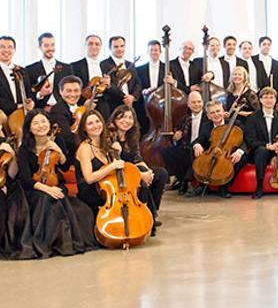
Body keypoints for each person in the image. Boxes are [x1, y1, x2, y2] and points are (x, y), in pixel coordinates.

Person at [2, 110, 98, 259]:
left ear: (49, 124)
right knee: (45, 199)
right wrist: (47, 189)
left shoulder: (56, 140)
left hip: (53, 183)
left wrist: (60, 153)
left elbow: (65, 167)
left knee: (80, 209)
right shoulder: (25, 148)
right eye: (36, 123)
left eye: (43, 122)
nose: (41, 125)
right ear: (29, 127)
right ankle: (44, 244)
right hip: (31, 191)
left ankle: (60, 242)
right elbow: (26, 180)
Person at [107, 105, 169, 235]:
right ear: (115, 119)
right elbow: (116, 163)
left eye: (130, 117)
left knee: (161, 174)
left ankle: (152, 212)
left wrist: (148, 172)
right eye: (123, 117)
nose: (126, 120)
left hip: (133, 168)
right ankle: (147, 217)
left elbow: (137, 158)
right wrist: (140, 174)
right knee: (141, 183)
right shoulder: (109, 136)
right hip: (120, 172)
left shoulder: (131, 136)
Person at [188, 100, 249, 199]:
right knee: (194, 151)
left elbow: (245, 141)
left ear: (223, 111)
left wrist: (239, 152)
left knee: (240, 158)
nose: (216, 114)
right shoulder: (206, 126)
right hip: (213, 152)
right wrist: (197, 145)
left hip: (229, 153)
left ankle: (224, 187)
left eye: (218, 111)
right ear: (208, 116)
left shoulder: (236, 124)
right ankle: (201, 184)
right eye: (212, 112)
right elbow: (196, 141)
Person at [74, 109, 126, 216]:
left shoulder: (105, 143)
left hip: (104, 188)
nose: (95, 126)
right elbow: (89, 179)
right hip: (91, 193)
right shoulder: (85, 147)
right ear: (84, 128)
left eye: (97, 121)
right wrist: (112, 166)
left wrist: (117, 152)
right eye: (90, 123)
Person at [160, 90, 209, 195]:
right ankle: (182, 179)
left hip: (202, 149)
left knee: (192, 154)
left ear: (203, 102)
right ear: (188, 104)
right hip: (186, 148)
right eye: (194, 102)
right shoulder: (185, 118)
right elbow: (180, 138)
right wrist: (175, 139)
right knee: (166, 151)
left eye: (199, 102)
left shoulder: (208, 117)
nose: (197, 105)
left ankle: (186, 182)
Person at [25, 32, 72, 110]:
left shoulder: (67, 68)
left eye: (52, 45)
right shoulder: (30, 69)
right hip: (41, 110)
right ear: (40, 47)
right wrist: (40, 94)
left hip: (62, 110)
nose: (50, 48)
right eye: (46, 45)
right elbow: (28, 94)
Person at [100, 36, 143, 117]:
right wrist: (124, 97)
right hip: (113, 106)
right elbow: (108, 85)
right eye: (116, 47)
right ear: (110, 48)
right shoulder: (103, 64)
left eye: (122, 46)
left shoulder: (130, 64)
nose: (119, 49)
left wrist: (132, 97)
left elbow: (138, 84)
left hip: (130, 105)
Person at [0, 36, 37, 119]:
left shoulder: (22, 71)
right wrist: (17, 106)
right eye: (2, 47)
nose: (6, 50)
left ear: (14, 50)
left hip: (21, 115)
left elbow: (29, 92)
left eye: (10, 47)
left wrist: (31, 102)